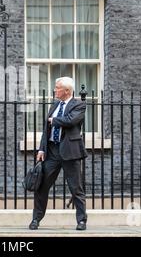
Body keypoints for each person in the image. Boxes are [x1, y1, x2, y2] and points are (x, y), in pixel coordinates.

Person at [29, 77, 87, 231]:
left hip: (70, 152)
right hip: (52, 152)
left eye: (58, 87)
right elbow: (46, 130)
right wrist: (42, 149)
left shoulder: (79, 105)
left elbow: (70, 121)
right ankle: (36, 219)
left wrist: (53, 120)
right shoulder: (55, 105)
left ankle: (81, 220)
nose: (55, 90)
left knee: (76, 188)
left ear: (67, 91)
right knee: (41, 186)